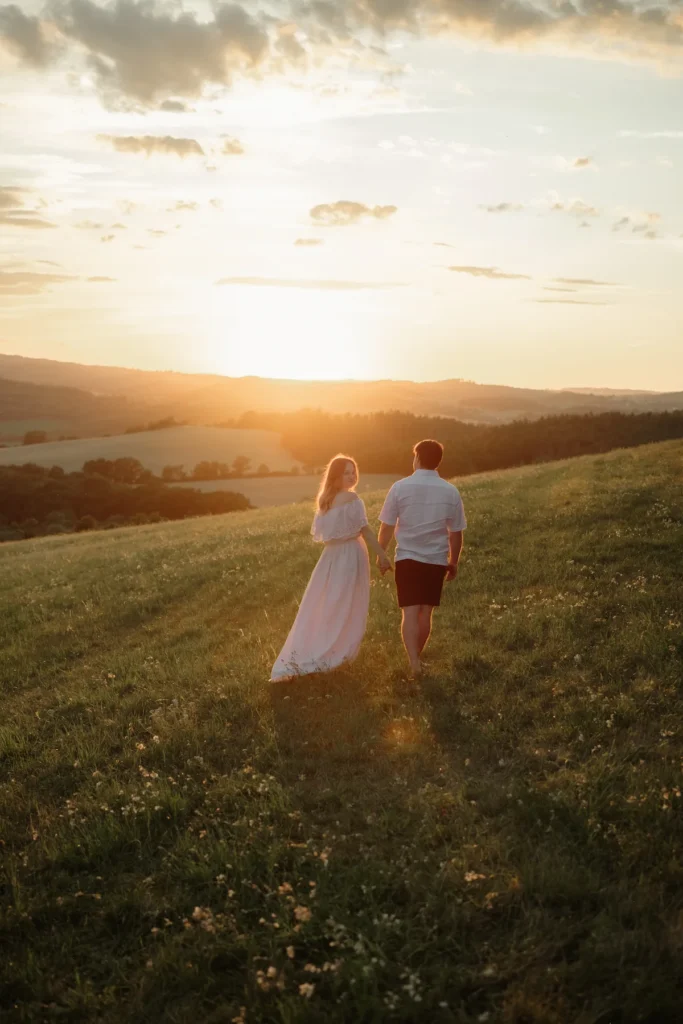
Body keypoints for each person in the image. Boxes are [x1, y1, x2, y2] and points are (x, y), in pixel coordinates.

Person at [270, 454, 392, 682]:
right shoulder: (352, 498)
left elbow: (326, 536)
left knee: (329, 602)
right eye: (346, 473)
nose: (352, 476)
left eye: (353, 472)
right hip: (350, 554)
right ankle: (336, 652)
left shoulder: (325, 501)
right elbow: (365, 530)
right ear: (336, 476)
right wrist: (382, 555)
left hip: (330, 557)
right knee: (347, 603)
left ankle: (323, 647)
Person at [378, 439, 466, 677]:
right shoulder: (450, 491)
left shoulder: (399, 487)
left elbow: (387, 526)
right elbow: (456, 533)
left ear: (417, 458)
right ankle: (416, 658)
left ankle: (414, 662)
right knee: (425, 613)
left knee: (409, 612)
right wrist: (453, 561)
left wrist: (381, 554)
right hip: (436, 559)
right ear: (438, 462)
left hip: (407, 558)